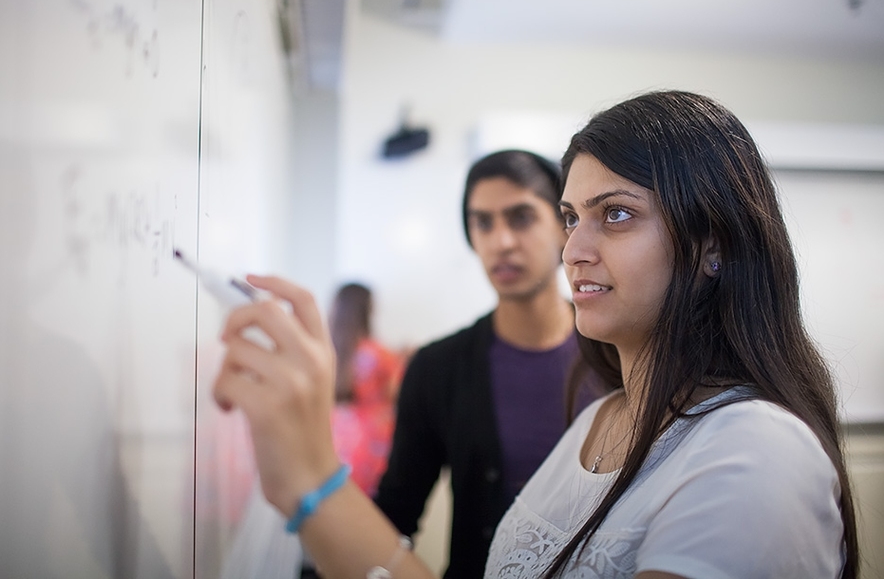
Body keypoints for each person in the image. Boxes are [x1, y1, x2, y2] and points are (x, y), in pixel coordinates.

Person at [211, 90, 858, 579]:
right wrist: (306, 481)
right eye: (574, 217)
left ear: (712, 244)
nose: (574, 247)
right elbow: (398, 519)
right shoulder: (599, 418)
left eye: (617, 215)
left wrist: (315, 478)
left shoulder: (755, 451)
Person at [372, 149, 599, 577]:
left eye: (521, 217)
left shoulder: (616, 355)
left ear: (563, 228)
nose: (501, 242)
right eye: (483, 222)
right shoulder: (437, 368)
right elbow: (395, 516)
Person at [329, 282, 405, 497]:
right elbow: (398, 392)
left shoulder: (330, 352)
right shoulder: (378, 354)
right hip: (373, 447)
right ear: (367, 308)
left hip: (338, 442)